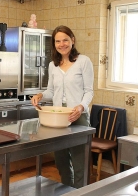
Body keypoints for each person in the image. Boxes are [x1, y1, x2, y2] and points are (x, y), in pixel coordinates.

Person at [30, 25, 94, 188]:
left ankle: (80, 192)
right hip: (58, 118)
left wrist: (81, 107)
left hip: (78, 116)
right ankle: (67, 190)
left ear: (72, 40)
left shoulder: (83, 61)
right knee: (62, 162)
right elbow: (51, 91)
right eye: (57, 41)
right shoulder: (53, 65)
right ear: (54, 44)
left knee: (80, 164)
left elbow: (89, 91)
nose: (62, 44)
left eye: (65, 40)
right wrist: (40, 95)